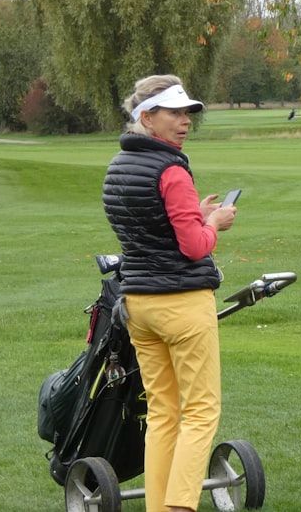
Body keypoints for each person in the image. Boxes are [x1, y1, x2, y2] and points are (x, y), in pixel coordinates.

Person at [102, 75, 237, 512]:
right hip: (182, 303)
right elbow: (194, 246)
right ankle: (180, 506)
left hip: (138, 304)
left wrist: (193, 215)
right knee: (200, 412)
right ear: (147, 117)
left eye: (187, 114)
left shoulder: (118, 166)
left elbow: (147, 229)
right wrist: (212, 223)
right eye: (174, 113)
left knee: (162, 413)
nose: (184, 122)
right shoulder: (172, 169)